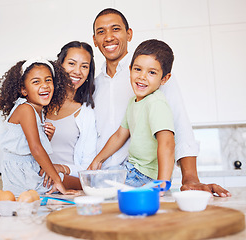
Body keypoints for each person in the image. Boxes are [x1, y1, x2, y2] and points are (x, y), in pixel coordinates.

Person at [91, 8, 230, 197]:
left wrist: (190, 178)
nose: (108, 37)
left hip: (142, 177)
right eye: (101, 32)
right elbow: (116, 134)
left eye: (115, 29)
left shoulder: (155, 75)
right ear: (95, 40)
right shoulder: (94, 85)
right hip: (107, 178)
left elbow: (178, 127)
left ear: (128, 34)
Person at [89, 39, 175, 187]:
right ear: (130, 69)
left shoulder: (155, 103)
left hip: (145, 175)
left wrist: (162, 184)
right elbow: (119, 136)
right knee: (93, 181)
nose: (142, 76)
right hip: (132, 169)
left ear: (164, 78)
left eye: (152, 72)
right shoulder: (133, 103)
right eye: (137, 69)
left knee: (99, 187)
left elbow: (167, 143)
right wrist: (98, 160)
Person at [0, 57, 78, 195]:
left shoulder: (38, 111)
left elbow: (29, 147)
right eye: (36, 82)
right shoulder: (26, 109)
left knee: (81, 183)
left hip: (29, 170)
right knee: (83, 184)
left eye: (48, 80)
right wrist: (56, 179)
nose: (44, 85)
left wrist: (46, 138)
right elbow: (35, 148)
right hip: (23, 176)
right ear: (23, 90)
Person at [41, 41, 97, 188]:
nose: (77, 71)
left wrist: (61, 168)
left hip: (67, 186)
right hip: (33, 185)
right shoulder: (39, 104)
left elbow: (87, 168)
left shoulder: (85, 113)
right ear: (60, 65)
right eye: (72, 63)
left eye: (84, 66)